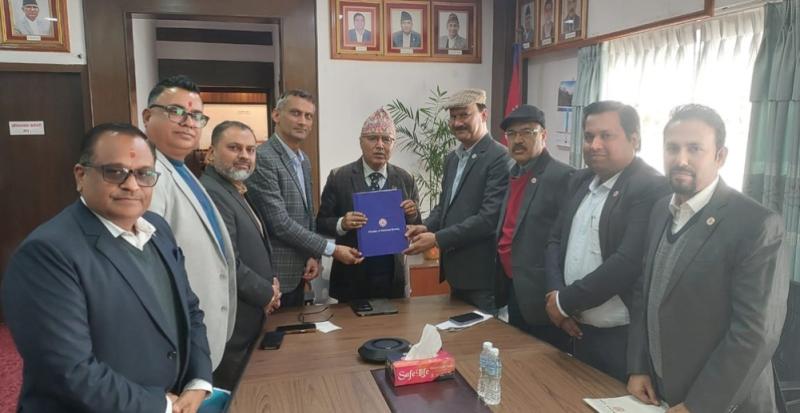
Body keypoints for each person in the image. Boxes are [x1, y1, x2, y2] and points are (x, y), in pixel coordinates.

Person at [2, 123, 212, 412]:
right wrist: (161, 406)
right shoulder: (47, 254)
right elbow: (68, 370)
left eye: (144, 174)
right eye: (115, 172)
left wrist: (198, 381)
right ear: (81, 175)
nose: (132, 185)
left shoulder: (158, 229)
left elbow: (189, 310)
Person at [627, 104, 788, 413]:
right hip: (661, 393)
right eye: (672, 148)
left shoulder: (756, 224)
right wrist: (638, 366)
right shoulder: (661, 209)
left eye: (695, 148)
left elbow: (755, 333)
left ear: (720, 156)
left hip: (721, 403)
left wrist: (699, 405)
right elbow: (644, 294)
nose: (681, 159)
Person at [543, 101, 670, 382]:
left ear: (634, 139)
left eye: (606, 136)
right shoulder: (579, 180)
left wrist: (564, 302)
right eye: (589, 137)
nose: (594, 145)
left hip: (620, 337)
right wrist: (556, 297)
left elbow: (627, 262)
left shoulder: (650, 186)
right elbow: (555, 240)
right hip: (574, 327)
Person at [143, 75, 236, 370]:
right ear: (148, 117)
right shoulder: (147, 175)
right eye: (176, 111)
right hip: (176, 335)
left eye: (196, 116)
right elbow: (149, 269)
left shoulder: (183, 171)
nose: (188, 122)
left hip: (201, 324)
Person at [246, 89, 363, 307]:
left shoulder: (303, 160)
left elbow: (308, 216)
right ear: (276, 115)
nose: (303, 121)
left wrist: (312, 254)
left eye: (308, 116)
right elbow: (279, 223)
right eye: (295, 113)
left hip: (299, 272)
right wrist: (331, 250)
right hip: (274, 275)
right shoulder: (263, 158)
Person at [405, 89, 510, 314]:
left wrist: (437, 239)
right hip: (456, 273)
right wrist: (425, 226)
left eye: (464, 115)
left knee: (482, 334)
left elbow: (488, 219)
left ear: (483, 115)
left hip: (482, 277)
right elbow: (444, 206)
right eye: (453, 117)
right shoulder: (452, 159)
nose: (457, 123)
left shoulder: (500, 157)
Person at [200, 121, 281, 390]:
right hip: (232, 327)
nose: (244, 156)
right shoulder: (212, 192)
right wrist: (267, 293)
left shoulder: (235, 188)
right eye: (234, 148)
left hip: (250, 316)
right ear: (211, 154)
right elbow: (226, 261)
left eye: (251, 149)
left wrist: (271, 283)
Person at [317, 108, 421, 302]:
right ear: (361, 142)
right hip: (351, 274)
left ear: (393, 144)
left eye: (386, 139)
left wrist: (412, 214)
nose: (380, 145)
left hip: (392, 276)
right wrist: (342, 223)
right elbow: (321, 223)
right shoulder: (339, 177)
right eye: (373, 138)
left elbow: (417, 226)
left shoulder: (405, 179)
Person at [494, 105, 574, 351]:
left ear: (544, 135)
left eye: (527, 132)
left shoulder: (562, 176)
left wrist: (560, 297)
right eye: (512, 134)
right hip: (514, 286)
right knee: (518, 358)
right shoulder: (512, 173)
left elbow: (566, 241)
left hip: (543, 295)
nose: (518, 140)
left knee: (545, 363)